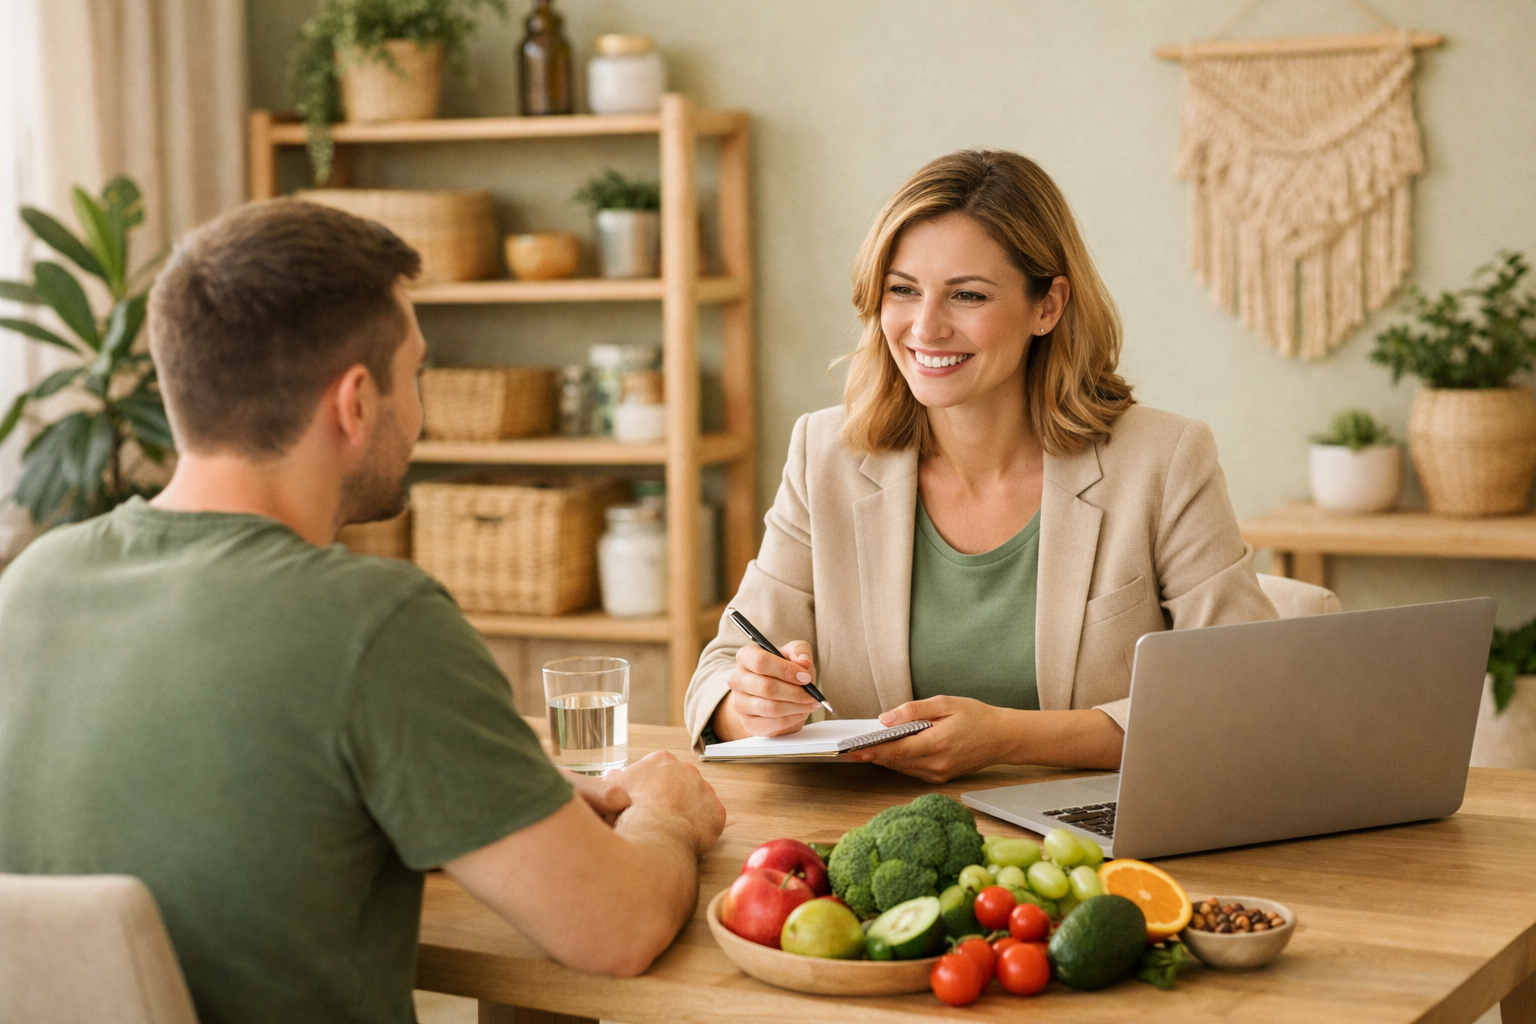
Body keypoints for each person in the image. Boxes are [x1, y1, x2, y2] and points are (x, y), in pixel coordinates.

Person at [0, 200, 726, 1024]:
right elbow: (616, 930)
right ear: (354, 401)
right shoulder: (375, 623)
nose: (416, 410)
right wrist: (668, 816)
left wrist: (496, 796)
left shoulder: (31, 583)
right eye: (413, 374)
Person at [684, 150, 1276, 783]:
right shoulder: (823, 454)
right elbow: (718, 675)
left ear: (1048, 306)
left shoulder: (1163, 459)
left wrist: (1009, 738)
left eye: (967, 295)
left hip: (1091, 846)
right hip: (871, 841)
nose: (926, 327)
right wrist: (750, 708)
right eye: (903, 291)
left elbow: (1247, 694)